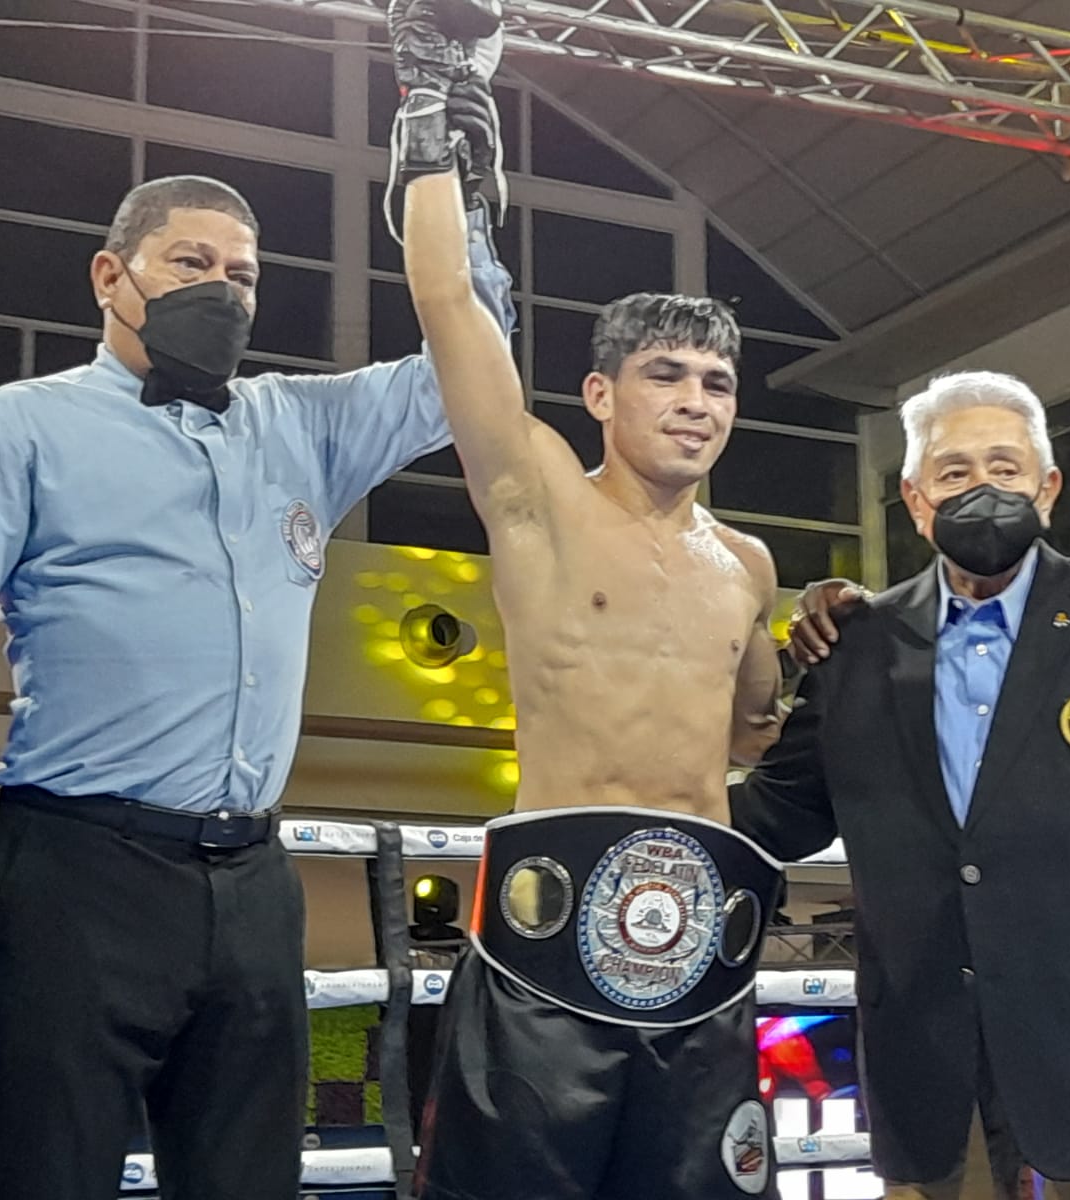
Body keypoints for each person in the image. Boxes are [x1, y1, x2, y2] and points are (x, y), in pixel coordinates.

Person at [0, 76, 516, 1197]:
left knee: (249, 1181)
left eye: (242, 275)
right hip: (78, 871)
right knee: (48, 1175)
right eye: (190, 263)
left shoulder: (299, 425)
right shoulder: (18, 426)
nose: (221, 291)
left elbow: (469, 368)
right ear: (111, 277)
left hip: (253, 879)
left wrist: (457, 193)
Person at [387, 8, 789, 1199]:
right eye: (666, 376)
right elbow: (448, 304)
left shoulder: (748, 566)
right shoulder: (541, 503)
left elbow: (752, 735)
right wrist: (427, 117)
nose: (696, 402)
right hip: (545, 957)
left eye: (717, 383)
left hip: (702, 955)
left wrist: (829, 638)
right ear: (601, 395)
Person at [733, 370, 1070, 1200]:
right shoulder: (856, 643)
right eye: (955, 471)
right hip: (926, 1053)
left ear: (1047, 488)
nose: (983, 488)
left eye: (1005, 469)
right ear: (916, 501)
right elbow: (778, 817)